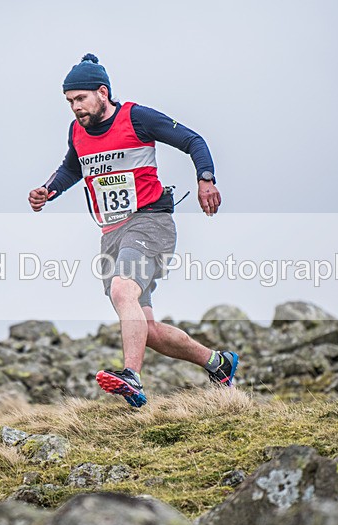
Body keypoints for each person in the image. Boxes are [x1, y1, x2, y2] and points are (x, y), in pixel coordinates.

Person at [28, 54, 239, 408]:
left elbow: (194, 140)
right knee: (148, 330)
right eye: (69, 101)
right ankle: (218, 363)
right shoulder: (77, 132)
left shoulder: (136, 118)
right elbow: (72, 167)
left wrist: (206, 180)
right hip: (111, 232)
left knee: (123, 288)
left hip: (149, 221)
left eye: (80, 99)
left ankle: (132, 378)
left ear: (102, 92)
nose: (75, 108)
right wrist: (48, 190)